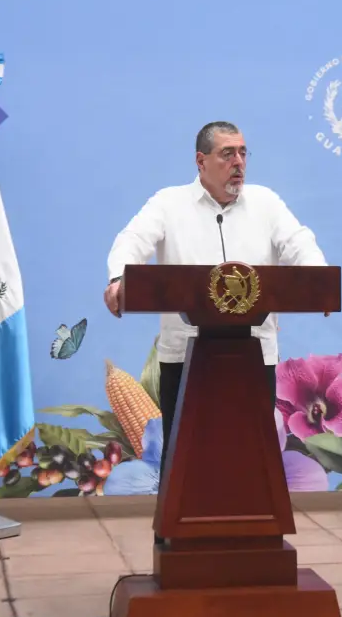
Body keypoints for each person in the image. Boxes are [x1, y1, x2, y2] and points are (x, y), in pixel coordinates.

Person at [104, 121, 327, 541]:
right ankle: (179, 539)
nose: (238, 162)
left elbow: (300, 243)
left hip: (253, 355)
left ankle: (255, 539)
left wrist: (317, 279)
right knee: (185, 455)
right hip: (185, 356)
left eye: (242, 152)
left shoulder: (266, 203)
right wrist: (119, 278)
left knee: (250, 451)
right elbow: (132, 240)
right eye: (227, 153)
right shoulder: (169, 204)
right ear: (201, 160)